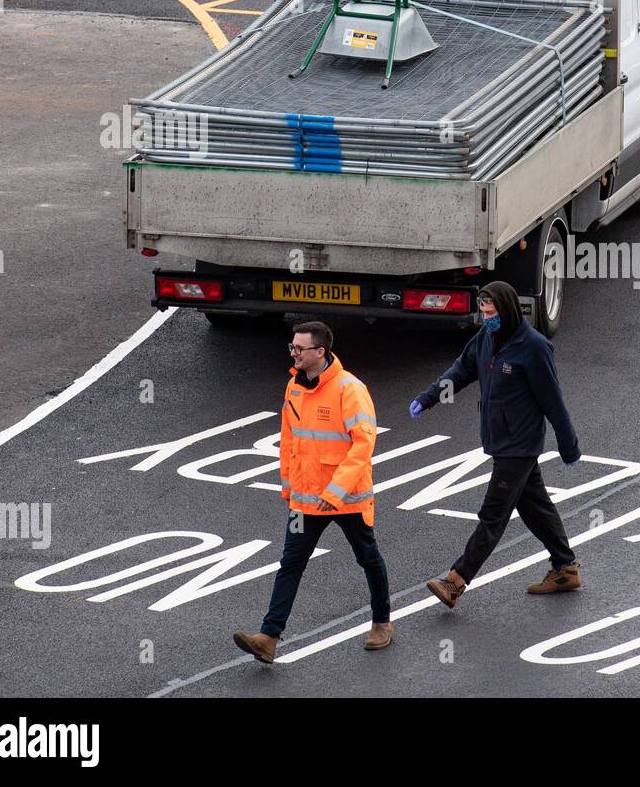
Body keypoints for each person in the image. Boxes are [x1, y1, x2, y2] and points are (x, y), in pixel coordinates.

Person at [411, 281, 582, 608]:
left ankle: (455, 582)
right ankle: (565, 567)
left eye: (492, 313)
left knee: (493, 514)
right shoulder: (486, 339)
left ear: (507, 309)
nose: (487, 317)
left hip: (519, 444)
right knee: (534, 506)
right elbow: (460, 371)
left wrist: (568, 445)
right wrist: (429, 397)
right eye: (483, 311)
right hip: (499, 439)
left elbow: (553, 401)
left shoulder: (534, 347)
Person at [233, 321, 393, 662]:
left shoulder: (350, 390)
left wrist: (334, 493)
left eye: (299, 348)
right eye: (292, 346)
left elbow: (363, 445)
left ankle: (382, 622)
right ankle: (269, 637)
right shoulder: (294, 386)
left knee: (367, 558)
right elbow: (289, 440)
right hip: (305, 501)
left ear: (320, 352)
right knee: (290, 563)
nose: (293, 352)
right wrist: (289, 487)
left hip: (346, 501)